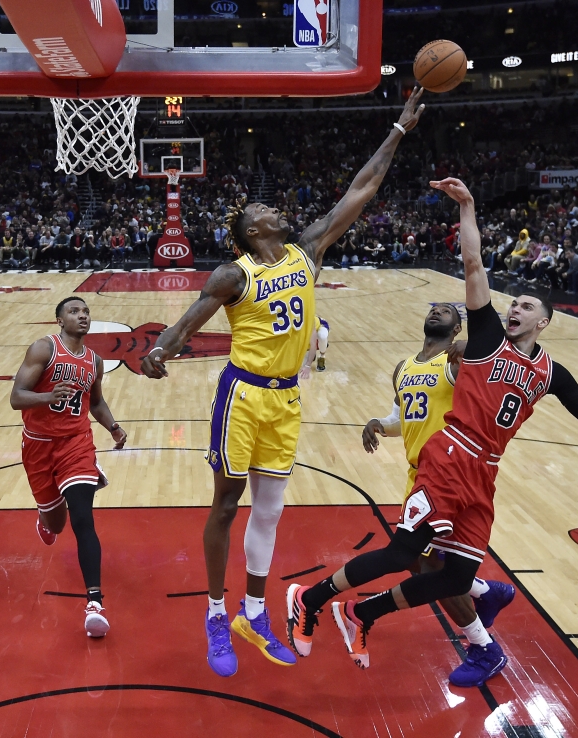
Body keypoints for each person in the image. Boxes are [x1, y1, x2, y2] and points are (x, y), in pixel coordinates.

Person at [285, 177, 578, 682]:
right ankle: (310, 598)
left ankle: (364, 613)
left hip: (484, 472)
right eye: (513, 303)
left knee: (457, 575)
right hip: (449, 456)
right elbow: (473, 266)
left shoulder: (552, 372)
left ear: (545, 323)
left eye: (527, 307)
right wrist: (468, 208)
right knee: (405, 553)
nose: (515, 308)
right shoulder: (488, 337)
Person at [140, 88, 427, 678]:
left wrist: (397, 130)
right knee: (225, 505)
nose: (270, 208)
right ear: (250, 232)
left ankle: (253, 611)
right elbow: (188, 320)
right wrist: (159, 351)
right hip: (242, 396)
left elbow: (361, 189)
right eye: (260, 211)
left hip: (288, 400)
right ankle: (216, 614)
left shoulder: (306, 251)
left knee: (268, 513)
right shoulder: (232, 273)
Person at [342, 303, 516, 687]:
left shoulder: (457, 364)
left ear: (456, 329)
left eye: (447, 312)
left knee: (425, 567)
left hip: (449, 476)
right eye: (433, 309)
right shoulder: (403, 368)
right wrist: (377, 424)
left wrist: (472, 345)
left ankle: (484, 646)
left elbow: (497, 357)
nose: (437, 313)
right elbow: (403, 417)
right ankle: (487, 592)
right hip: (419, 474)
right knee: (431, 564)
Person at [10, 297, 127, 637]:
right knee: (57, 524)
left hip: (76, 444)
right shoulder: (44, 349)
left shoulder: (94, 361)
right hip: (38, 446)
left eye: (86, 311)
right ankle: (46, 516)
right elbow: (16, 397)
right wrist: (48, 397)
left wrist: (114, 427)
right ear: (59, 319)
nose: (82, 316)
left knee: (83, 519)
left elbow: (97, 402)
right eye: (74, 311)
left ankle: (94, 602)